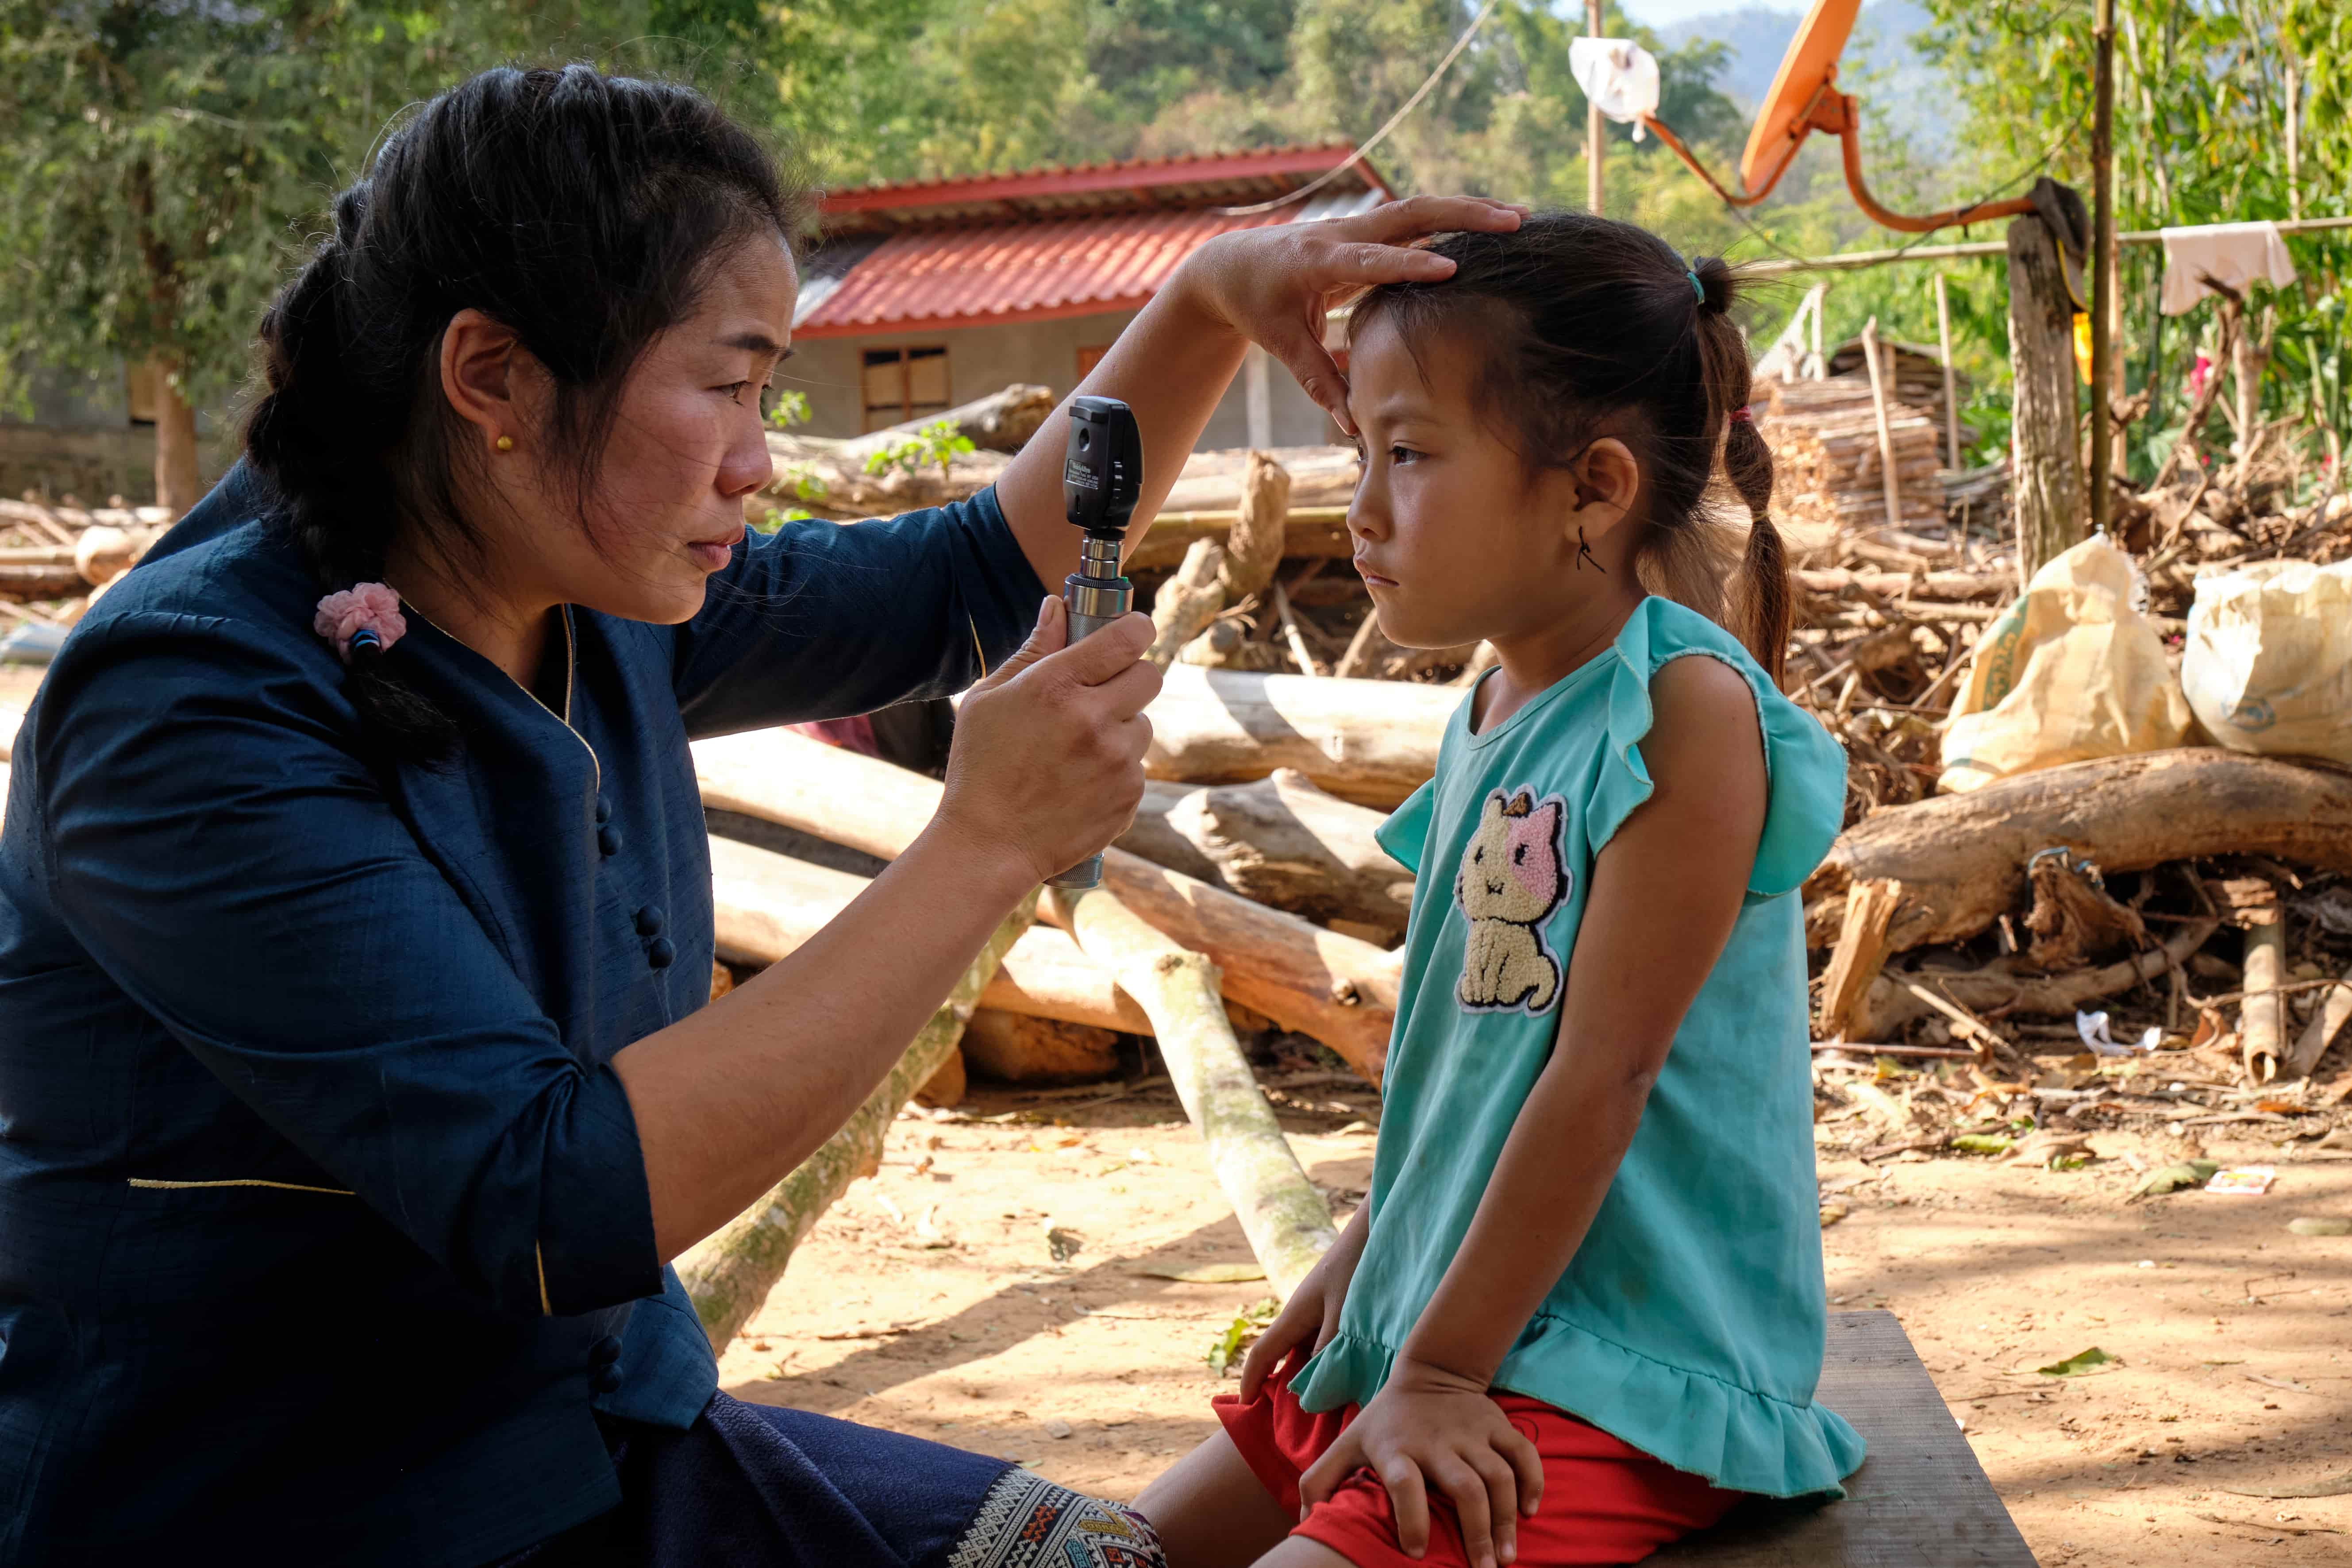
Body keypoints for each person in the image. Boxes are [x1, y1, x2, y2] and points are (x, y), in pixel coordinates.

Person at [0, 64, 1525, 1568]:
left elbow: (965, 578)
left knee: (1096, 1557)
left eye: (769, 394)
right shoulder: (190, 713)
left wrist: (1203, 302)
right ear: (492, 377)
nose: (756, 458)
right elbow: (554, 1202)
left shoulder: (580, 581)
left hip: (593, 1433)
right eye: (725, 386)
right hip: (291, 1502)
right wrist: (981, 849)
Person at [1133, 212, 1865, 1568]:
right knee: (1096, 1554)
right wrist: (1365, 1257)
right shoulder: (1490, 705)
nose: (1358, 509)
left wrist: (1439, 1377)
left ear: (1589, 487)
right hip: (1454, 1320)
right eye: (1360, 451)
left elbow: (1602, 1077)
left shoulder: (1682, 711)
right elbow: (1470, 1057)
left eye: (1406, 455)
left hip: (1617, 1370)